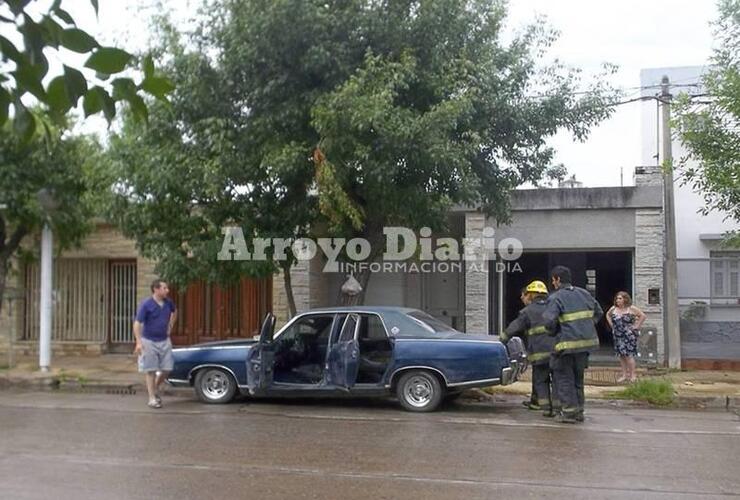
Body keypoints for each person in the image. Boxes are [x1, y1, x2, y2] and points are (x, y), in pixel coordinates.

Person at [543, 266, 603, 424]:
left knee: (564, 379)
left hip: (566, 346)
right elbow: (599, 312)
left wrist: (553, 332)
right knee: (578, 379)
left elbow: (549, 321)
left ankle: (569, 413)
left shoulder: (556, 297)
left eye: (553, 280)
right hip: (585, 345)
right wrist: (586, 326)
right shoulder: (584, 293)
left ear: (557, 279)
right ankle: (579, 412)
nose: (553, 283)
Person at [502, 280, 558, 417]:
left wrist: (501, 340)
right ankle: (556, 408)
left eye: (525, 295)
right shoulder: (555, 306)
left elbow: (513, 328)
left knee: (541, 380)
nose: (523, 298)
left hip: (539, 353)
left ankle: (545, 408)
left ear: (531, 295)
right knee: (557, 381)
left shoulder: (527, 311)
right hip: (557, 352)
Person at [133, 279, 177, 409]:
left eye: (167, 288)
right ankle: (152, 398)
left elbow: (175, 312)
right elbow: (137, 323)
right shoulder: (146, 304)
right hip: (149, 341)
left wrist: (170, 325)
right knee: (150, 370)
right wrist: (139, 342)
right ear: (156, 290)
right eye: (165, 288)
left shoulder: (168, 302)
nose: (167, 290)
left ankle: (155, 387)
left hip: (164, 340)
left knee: (168, 368)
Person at [606, 291, 646, 383]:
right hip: (618, 335)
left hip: (628, 335)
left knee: (629, 355)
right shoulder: (613, 309)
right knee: (621, 355)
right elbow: (607, 315)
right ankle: (624, 374)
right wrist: (611, 325)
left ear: (625, 299)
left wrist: (636, 326)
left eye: (620, 298)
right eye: (617, 298)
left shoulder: (631, 309)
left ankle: (632, 375)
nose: (618, 300)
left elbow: (642, 316)